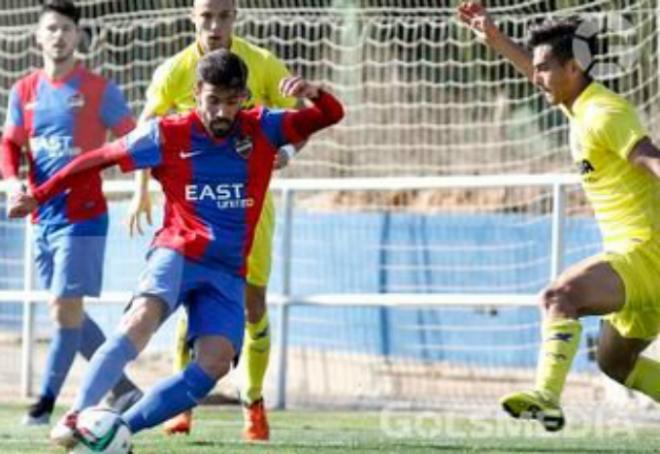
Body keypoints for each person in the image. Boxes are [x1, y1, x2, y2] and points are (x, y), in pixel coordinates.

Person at [8, 48, 344, 449]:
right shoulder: (167, 133)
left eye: (232, 101)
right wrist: (40, 194)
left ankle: (120, 428)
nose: (222, 111)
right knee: (140, 321)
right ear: (197, 92)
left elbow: (330, 114)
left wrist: (314, 92)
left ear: (245, 98)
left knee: (216, 362)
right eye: (213, 100)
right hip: (178, 251)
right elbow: (98, 159)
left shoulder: (264, 127)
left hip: (227, 270)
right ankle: (77, 414)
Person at [457, 1, 660, 431]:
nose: (536, 75)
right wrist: (496, 40)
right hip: (639, 261)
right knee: (615, 363)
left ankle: (546, 397)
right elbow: (535, 73)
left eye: (545, 67)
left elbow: (650, 158)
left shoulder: (605, 112)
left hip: (646, 255)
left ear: (573, 69)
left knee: (558, 296)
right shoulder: (578, 104)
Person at [127, 0, 302, 439]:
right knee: (192, 301)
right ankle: (182, 408)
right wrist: (141, 190)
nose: (215, 25)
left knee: (253, 304)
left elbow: (302, 115)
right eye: (207, 16)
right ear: (192, 17)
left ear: (236, 17)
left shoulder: (259, 63)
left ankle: (253, 399)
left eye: (224, 15)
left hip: (248, 211)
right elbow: (143, 129)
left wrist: (287, 152)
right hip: (194, 209)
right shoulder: (173, 71)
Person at [0, 0, 141, 426]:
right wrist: (12, 183)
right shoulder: (22, 91)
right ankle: (123, 388)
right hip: (42, 218)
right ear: (37, 36)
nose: (58, 36)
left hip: (84, 216)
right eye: (51, 28)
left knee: (64, 308)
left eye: (66, 28)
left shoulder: (100, 90)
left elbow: (134, 141)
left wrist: (140, 188)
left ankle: (46, 405)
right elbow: (9, 145)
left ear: (78, 36)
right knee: (67, 312)